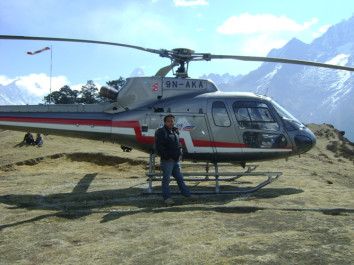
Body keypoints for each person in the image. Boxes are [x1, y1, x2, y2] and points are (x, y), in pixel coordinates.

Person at [155, 114, 195, 205]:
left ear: (174, 122)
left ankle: (187, 195)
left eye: (172, 121)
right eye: (168, 121)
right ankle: (167, 198)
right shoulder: (161, 132)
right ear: (165, 122)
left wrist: (180, 154)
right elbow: (160, 147)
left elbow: (179, 145)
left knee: (180, 179)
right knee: (166, 179)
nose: (170, 123)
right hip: (168, 161)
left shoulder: (175, 131)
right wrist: (167, 157)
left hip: (176, 160)